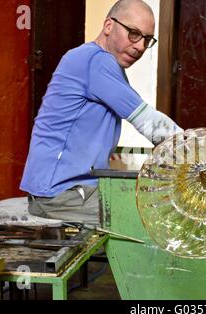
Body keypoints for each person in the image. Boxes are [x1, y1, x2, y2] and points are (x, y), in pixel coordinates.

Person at [20, 0, 182, 225]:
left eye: (147, 39)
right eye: (134, 34)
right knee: (155, 219)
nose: (140, 46)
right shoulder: (95, 60)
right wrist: (201, 153)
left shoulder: (102, 63)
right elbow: (149, 122)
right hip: (61, 195)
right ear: (108, 26)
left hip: (75, 191)